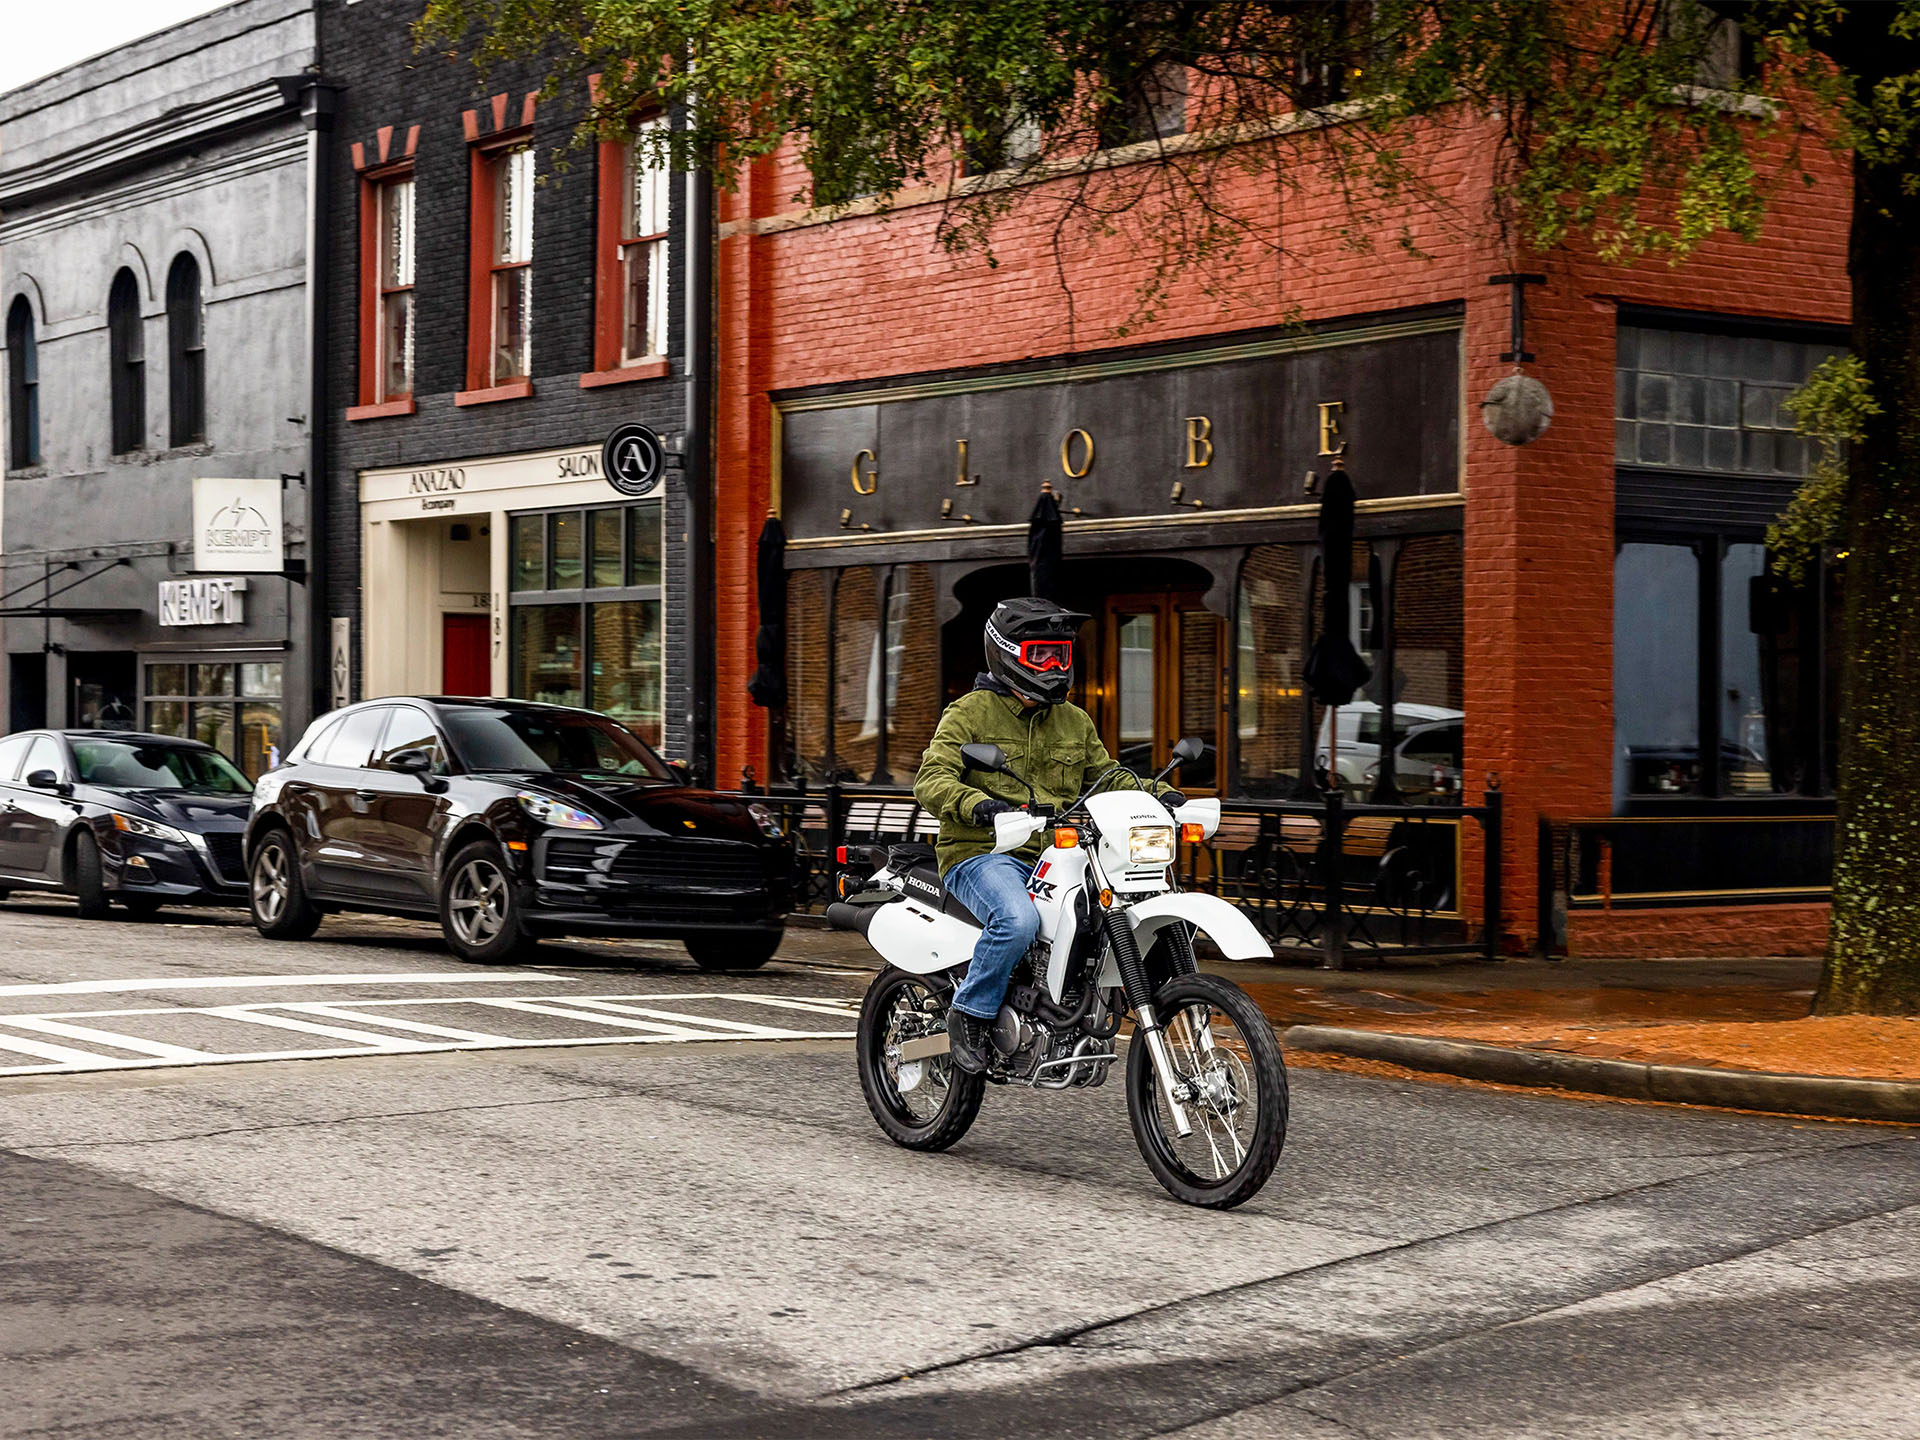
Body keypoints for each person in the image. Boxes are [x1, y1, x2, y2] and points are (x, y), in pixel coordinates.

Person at [914, 597, 1184, 1074]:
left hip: (1059, 854)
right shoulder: (969, 714)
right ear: (1006, 652)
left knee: (1119, 907)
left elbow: (1108, 776)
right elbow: (931, 779)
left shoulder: (1074, 721)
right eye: (1042, 655)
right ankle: (970, 1015)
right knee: (1016, 920)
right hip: (983, 853)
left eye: (1061, 655)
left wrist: (1162, 794)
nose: (1056, 666)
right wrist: (980, 806)